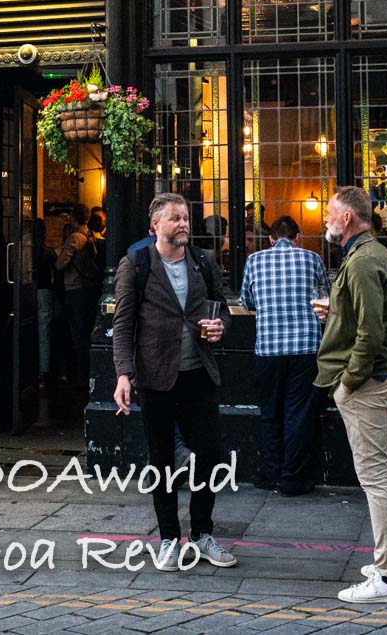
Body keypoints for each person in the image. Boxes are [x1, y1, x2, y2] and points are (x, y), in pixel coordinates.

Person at [111, 192, 237, 571]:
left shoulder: (203, 260)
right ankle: (169, 538)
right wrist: (123, 374)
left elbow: (224, 307)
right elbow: (123, 324)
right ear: (155, 226)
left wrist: (220, 327)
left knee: (210, 456)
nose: (183, 224)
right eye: (175, 219)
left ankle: (202, 534)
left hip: (198, 372)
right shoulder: (136, 264)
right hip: (156, 376)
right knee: (162, 461)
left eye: (185, 218)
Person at [314, 186, 387, 605]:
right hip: (384, 378)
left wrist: (348, 383)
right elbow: (367, 317)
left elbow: (371, 334)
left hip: (368, 385)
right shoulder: (372, 255)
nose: (325, 220)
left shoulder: (361, 262)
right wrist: (334, 311)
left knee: (375, 478)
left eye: (330, 214)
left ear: (349, 219)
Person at [240, 215, 324, 495]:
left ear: (270, 239)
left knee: (270, 413)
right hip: (306, 347)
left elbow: (247, 301)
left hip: (269, 347)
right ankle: (292, 478)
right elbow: (324, 296)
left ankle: (271, 473)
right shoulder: (312, 259)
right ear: (297, 237)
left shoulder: (254, 261)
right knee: (298, 413)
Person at [55, 206, 104, 388]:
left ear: (75, 219)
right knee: (85, 332)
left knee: (77, 334)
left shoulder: (74, 238)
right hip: (88, 290)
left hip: (74, 289)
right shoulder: (90, 236)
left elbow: (60, 265)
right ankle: (85, 372)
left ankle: (81, 375)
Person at [29, 219, 58, 387]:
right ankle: (44, 371)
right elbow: (58, 270)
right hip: (45, 291)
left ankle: (29, 368)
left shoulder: (26, 250)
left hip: (28, 291)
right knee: (44, 331)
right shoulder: (48, 252)